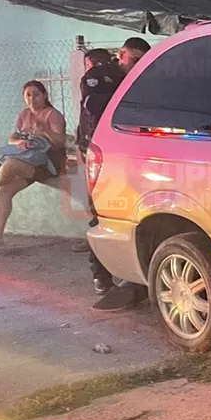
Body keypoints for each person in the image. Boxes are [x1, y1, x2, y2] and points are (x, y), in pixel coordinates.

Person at [89, 37, 151, 311]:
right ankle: (102, 278)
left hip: (132, 153)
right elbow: (98, 109)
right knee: (102, 215)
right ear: (121, 54)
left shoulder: (143, 75)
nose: (137, 65)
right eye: (134, 59)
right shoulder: (100, 77)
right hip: (104, 153)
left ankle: (133, 273)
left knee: (134, 214)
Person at [0, 81, 67, 248]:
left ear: (45, 95)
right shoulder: (24, 115)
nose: (32, 99)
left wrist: (45, 129)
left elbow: (60, 143)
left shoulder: (52, 115)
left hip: (47, 164)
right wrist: (20, 142)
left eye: (36, 94)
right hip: (27, 161)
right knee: (4, 191)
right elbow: (11, 138)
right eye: (28, 95)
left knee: (10, 165)